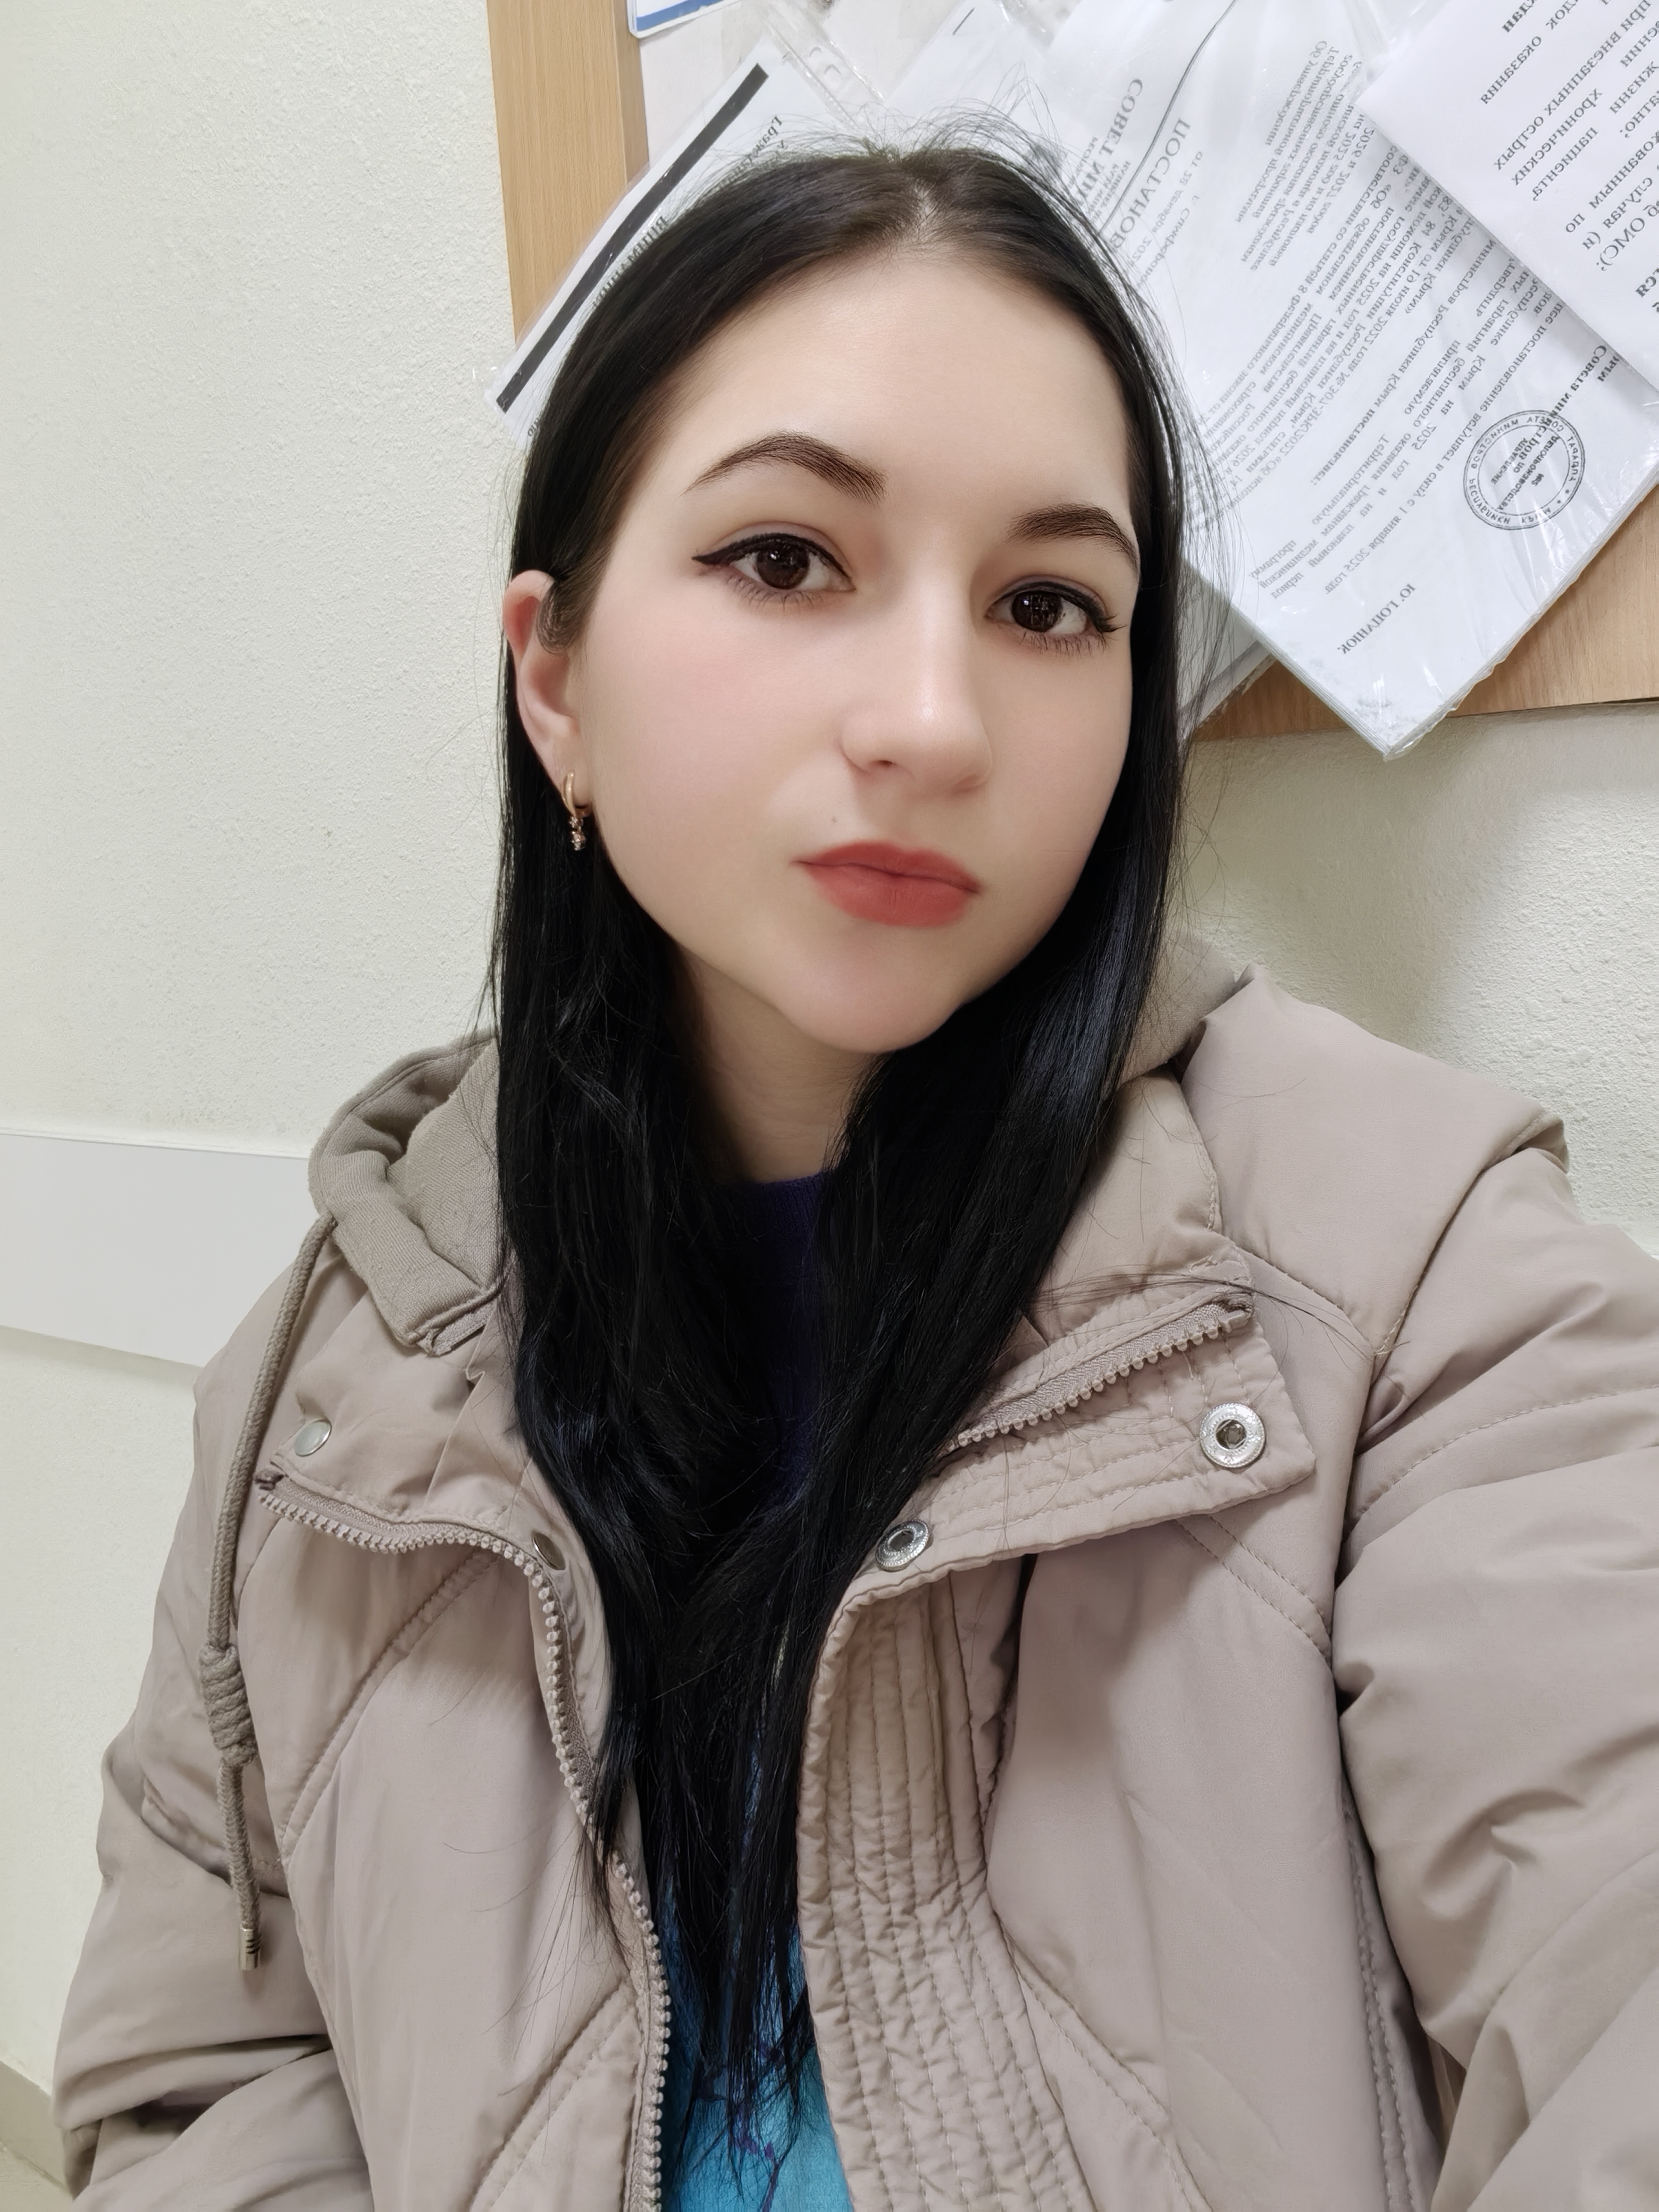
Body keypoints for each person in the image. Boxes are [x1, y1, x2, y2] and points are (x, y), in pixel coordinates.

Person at [52, 141, 1659, 2211]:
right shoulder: (333, 1373)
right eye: (788, 558)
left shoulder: (1421, 1274)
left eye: (1049, 605)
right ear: (554, 675)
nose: (931, 719)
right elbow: (204, 2084)